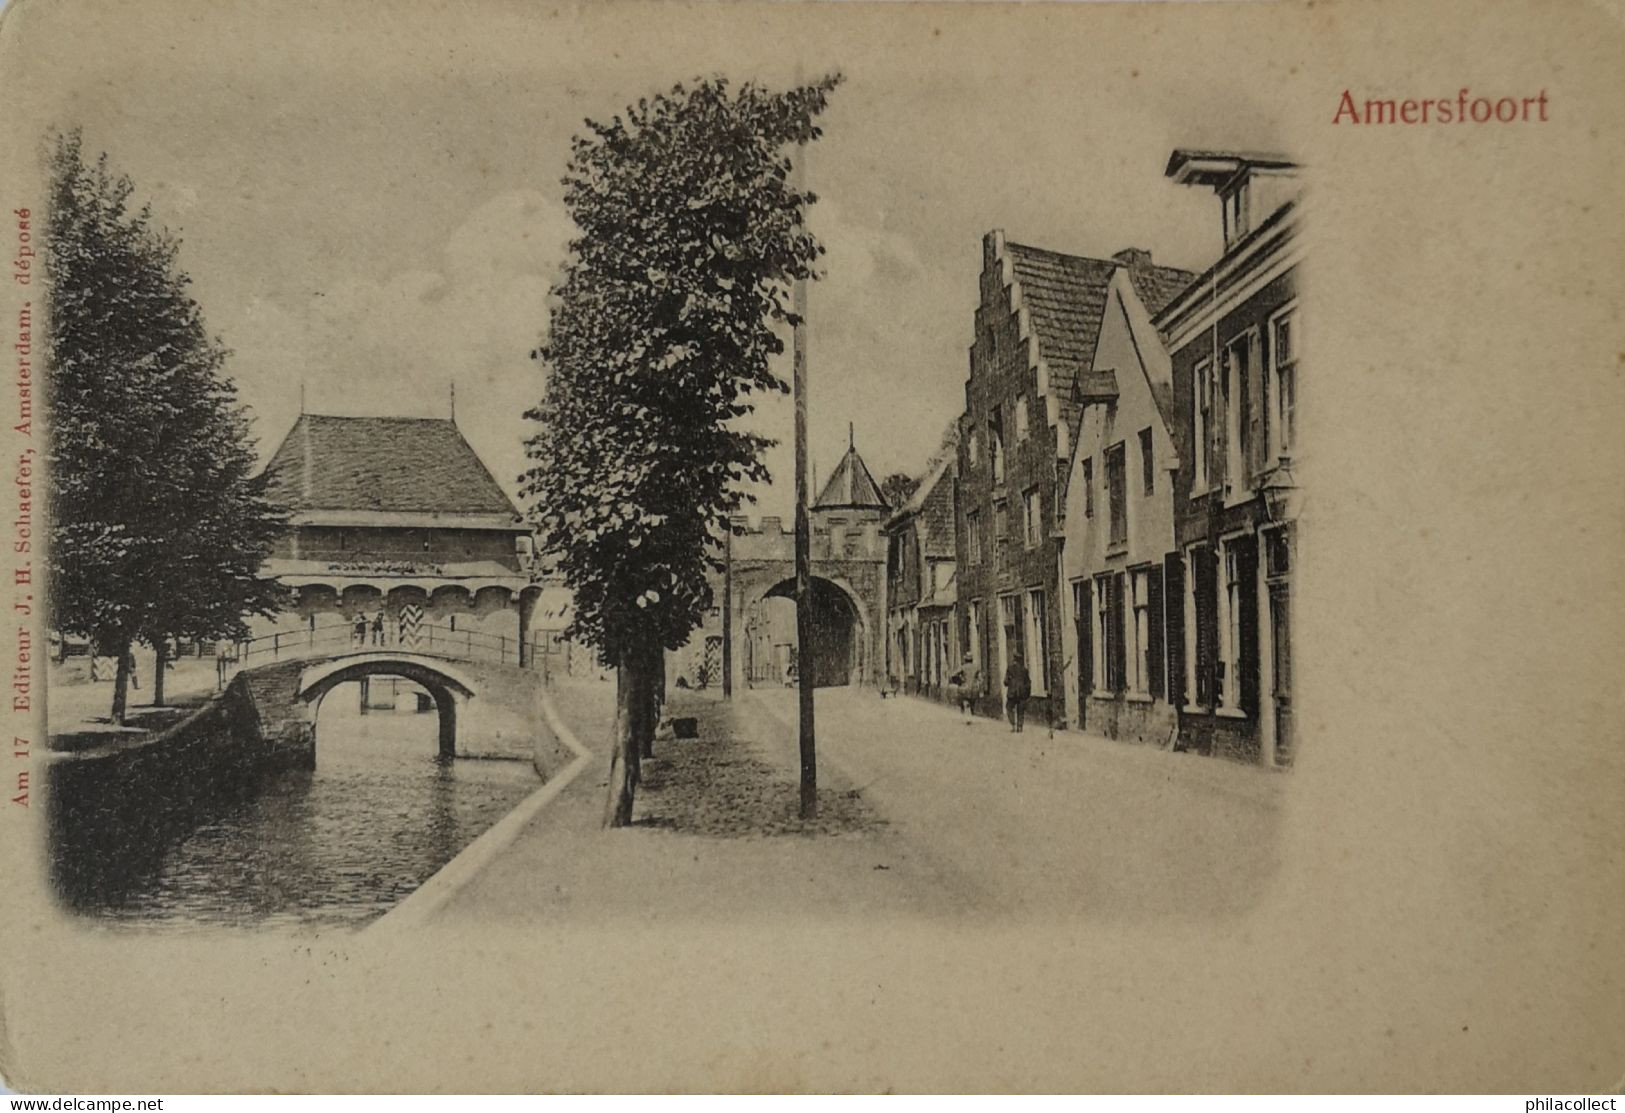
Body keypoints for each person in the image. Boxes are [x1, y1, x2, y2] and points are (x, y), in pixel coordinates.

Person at [1004, 652, 1031, 733]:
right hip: (1022, 692)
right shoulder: (1025, 670)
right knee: (1021, 710)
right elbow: (1028, 683)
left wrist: (1009, 682)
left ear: (1014, 659)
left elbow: (1006, 681)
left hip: (1012, 692)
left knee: (1009, 708)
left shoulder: (1010, 668)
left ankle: (1013, 724)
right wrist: (1027, 693)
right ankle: (1020, 727)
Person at [949, 653, 979, 723]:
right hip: (974, 689)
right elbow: (980, 678)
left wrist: (959, 680)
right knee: (972, 703)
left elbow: (953, 675)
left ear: (965, 659)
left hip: (964, 688)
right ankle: (971, 715)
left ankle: (967, 716)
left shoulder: (963, 667)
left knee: (965, 702)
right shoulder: (976, 667)